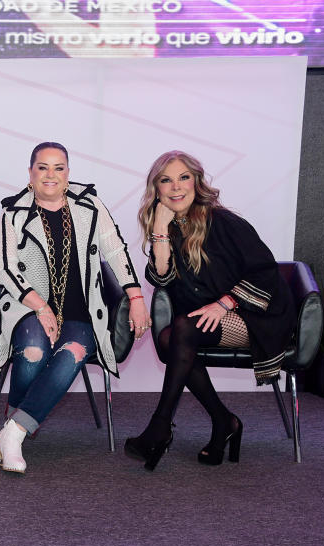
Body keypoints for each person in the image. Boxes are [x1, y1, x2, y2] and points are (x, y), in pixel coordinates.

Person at [0, 142, 150, 474]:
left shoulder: (89, 205)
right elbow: (5, 267)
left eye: (58, 168)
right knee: (33, 348)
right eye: (42, 167)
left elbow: (116, 250)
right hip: (28, 308)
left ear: (68, 174)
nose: (51, 175)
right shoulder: (13, 212)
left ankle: (12, 431)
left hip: (81, 312)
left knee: (73, 350)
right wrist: (41, 307)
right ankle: (11, 433)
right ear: (30, 174)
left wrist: (136, 298)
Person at [125, 151, 296, 470]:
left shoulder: (224, 221)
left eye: (183, 177)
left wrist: (224, 303)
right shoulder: (171, 227)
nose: (176, 187)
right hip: (210, 317)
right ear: (157, 189)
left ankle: (160, 426)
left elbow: (266, 272)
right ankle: (224, 421)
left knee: (181, 330)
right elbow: (161, 277)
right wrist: (160, 229)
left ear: (197, 182)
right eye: (166, 180)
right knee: (168, 339)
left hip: (259, 314)